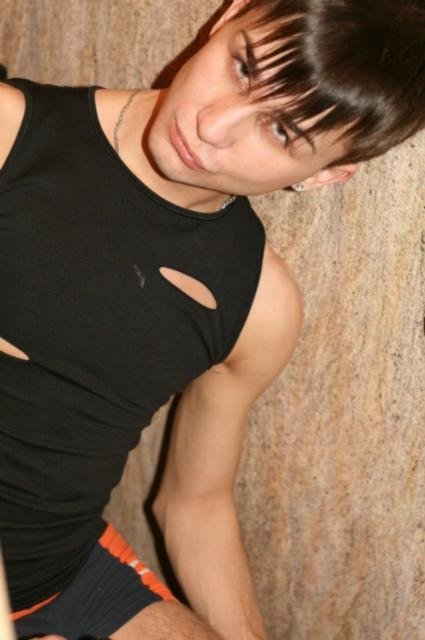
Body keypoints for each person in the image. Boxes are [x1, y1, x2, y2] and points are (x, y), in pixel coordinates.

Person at [0, 0, 423, 638]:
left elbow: (194, 505)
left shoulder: (260, 306)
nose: (213, 126)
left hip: (62, 572)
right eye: (243, 68)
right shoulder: (10, 134)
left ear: (327, 175)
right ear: (228, 15)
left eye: (281, 132)